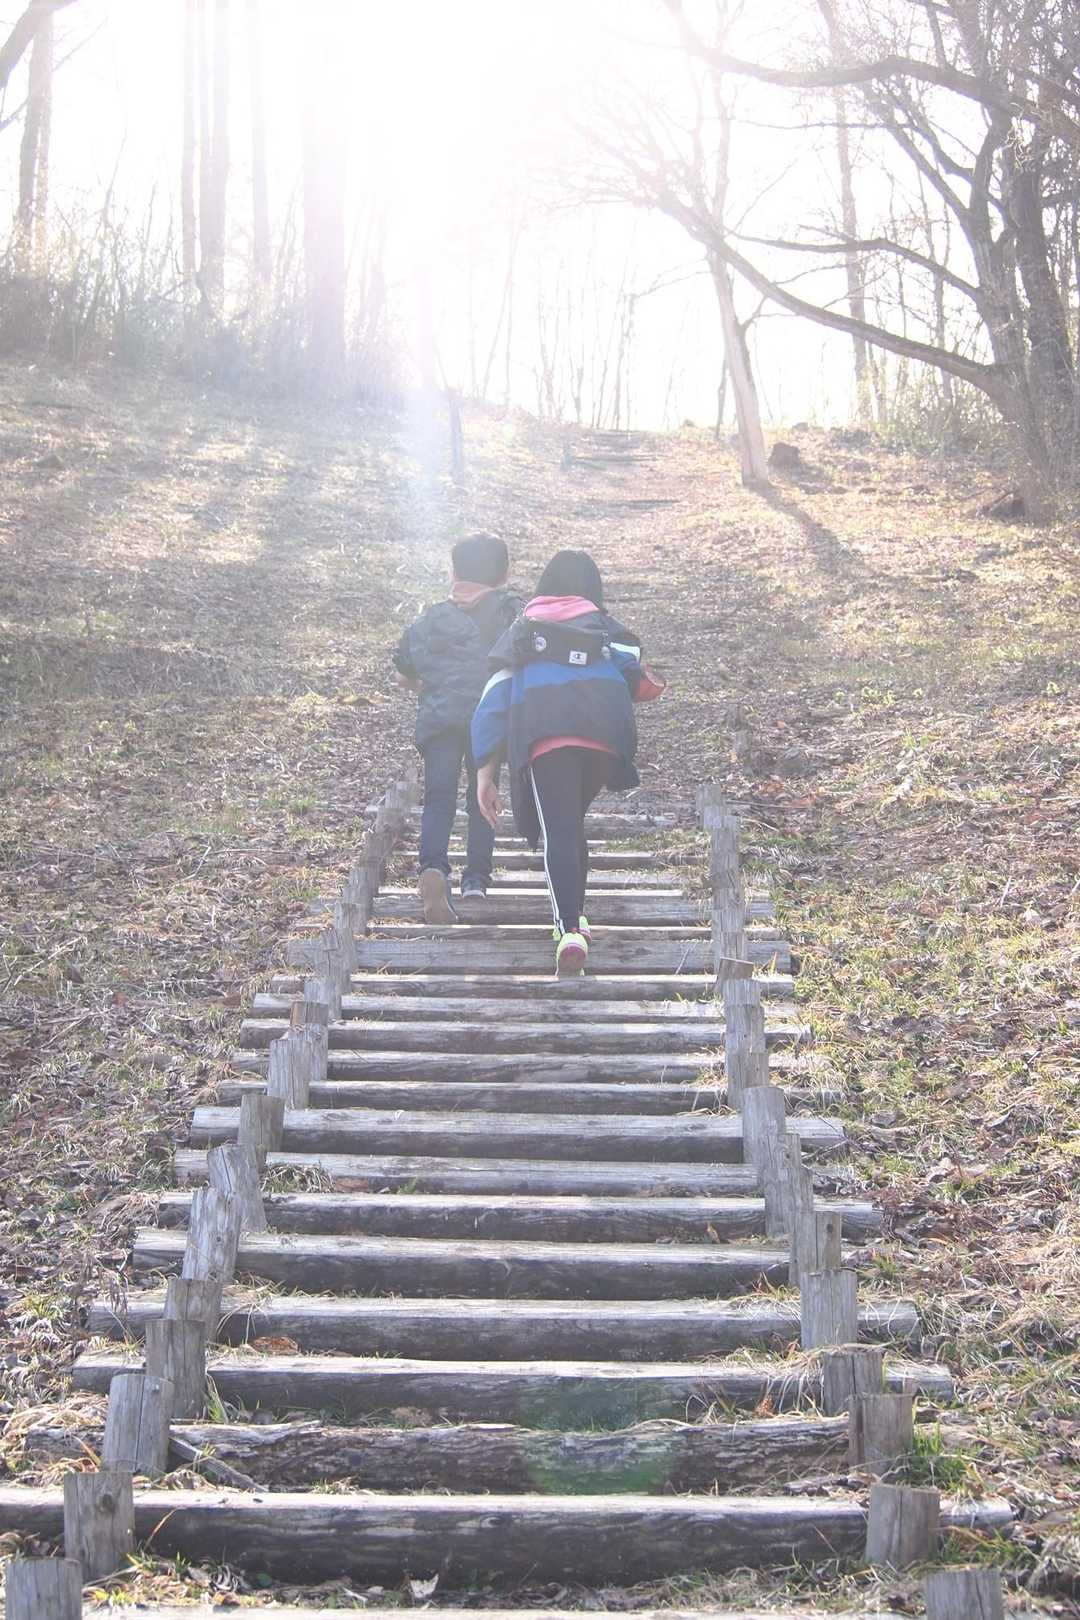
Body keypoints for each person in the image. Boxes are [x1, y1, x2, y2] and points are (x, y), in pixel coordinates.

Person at [470, 549, 664, 976]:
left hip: (548, 730)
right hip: (604, 732)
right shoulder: (603, 625)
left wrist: (485, 772)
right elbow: (634, 671)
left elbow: (495, 698)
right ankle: (576, 914)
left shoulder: (524, 628)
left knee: (558, 829)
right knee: (571, 823)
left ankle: (568, 928)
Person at [393, 533, 522, 923]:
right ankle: (476, 880)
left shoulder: (429, 619)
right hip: (488, 718)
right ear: (503, 573)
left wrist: (432, 688)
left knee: (439, 797)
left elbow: (403, 675)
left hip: (439, 718)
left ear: (454, 572)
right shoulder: (510, 613)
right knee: (482, 796)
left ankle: (433, 868)